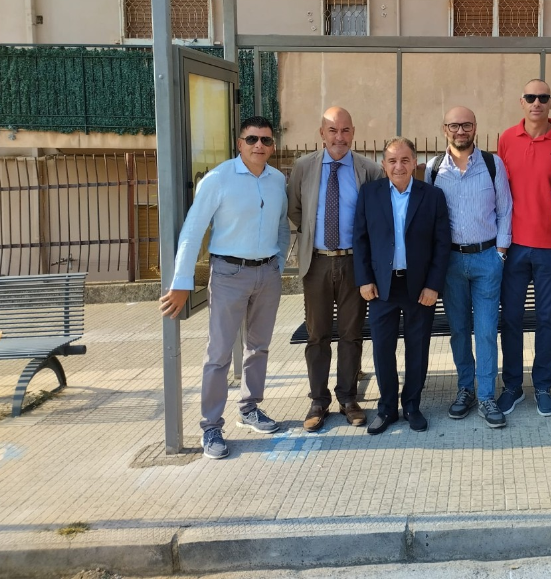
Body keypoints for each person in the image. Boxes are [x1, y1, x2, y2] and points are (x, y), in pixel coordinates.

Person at [159, 116, 290, 460]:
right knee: (218, 354)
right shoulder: (218, 179)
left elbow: (281, 226)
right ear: (239, 143)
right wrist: (182, 282)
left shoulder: (277, 180)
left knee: (258, 347)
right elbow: (193, 230)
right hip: (229, 274)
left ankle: (249, 408)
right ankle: (211, 426)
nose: (259, 145)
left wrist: (278, 263)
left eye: (265, 140)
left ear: (273, 146)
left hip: (267, 274)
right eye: (252, 139)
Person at [287, 106, 385, 432]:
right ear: (322, 133)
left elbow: (377, 216)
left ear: (353, 132)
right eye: (332, 130)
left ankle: (348, 398)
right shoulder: (303, 167)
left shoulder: (369, 170)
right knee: (317, 335)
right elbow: (295, 210)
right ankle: (318, 400)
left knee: (351, 334)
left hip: (354, 262)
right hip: (316, 262)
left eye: (345, 130)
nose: (339, 137)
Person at [353, 137, 452, 435]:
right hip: (381, 287)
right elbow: (360, 240)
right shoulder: (369, 194)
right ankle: (386, 408)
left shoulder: (432, 196)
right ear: (384, 165)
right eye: (393, 161)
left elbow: (442, 244)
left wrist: (433, 285)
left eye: (405, 160)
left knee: (417, 349)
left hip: (419, 288)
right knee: (383, 349)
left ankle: (411, 405)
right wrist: (364, 279)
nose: (399, 166)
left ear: (414, 164)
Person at [494, 78, 551, 418]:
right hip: (513, 246)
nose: (536, 103)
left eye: (543, 97)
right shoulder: (506, 139)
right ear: (522, 102)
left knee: (546, 320)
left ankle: (542, 385)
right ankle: (512, 386)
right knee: (510, 319)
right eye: (530, 97)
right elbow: (499, 191)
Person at [429, 107, 513, 428]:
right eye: (454, 125)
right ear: (444, 129)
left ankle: (487, 395)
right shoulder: (434, 169)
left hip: (487, 258)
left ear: (475, 127)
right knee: (460, 330)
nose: (460, 131)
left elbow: (505, 209)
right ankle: (466, 389)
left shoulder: (493, 164)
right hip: (450, 262)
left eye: (466, 125)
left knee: (487, 330)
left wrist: (500, 252)